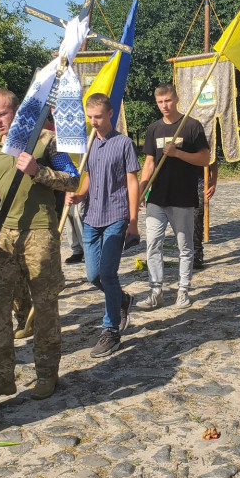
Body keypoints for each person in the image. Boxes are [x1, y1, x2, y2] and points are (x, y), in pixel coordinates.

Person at [0, 89, 79, 401]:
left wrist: (39, 171)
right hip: (3, 236)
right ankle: (0, 376)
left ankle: (47, 374)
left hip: (41, 234)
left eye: (2, 114)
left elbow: (72, 179)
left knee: (44, 307)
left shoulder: (45, 141)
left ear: (17, 111)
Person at [66, 94, 141, 357]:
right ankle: (121, 299)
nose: (93, 122)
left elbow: (132, 182)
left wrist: (133, 221)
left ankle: (111, 331)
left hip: (116, 216)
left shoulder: (124, 144)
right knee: (92, 275)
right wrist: (79, 195)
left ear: (110, 114)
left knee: (108, 274)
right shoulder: (88, 144)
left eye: (98, 116)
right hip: (91, 217)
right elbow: (88, 177)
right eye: (90, 117)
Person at [137, 84, 210, 310]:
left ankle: (183, 290)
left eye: (167, 100)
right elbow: (149, 162)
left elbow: (205, 159)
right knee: (153, 245)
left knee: (184, 246)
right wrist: (142, 188)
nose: (164, 106)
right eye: (160, 102)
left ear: (176, 99)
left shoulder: (191, 126)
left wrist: (178, 153)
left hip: (183, 196)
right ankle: (156, 290)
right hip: (157, 197)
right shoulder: (154, 129)